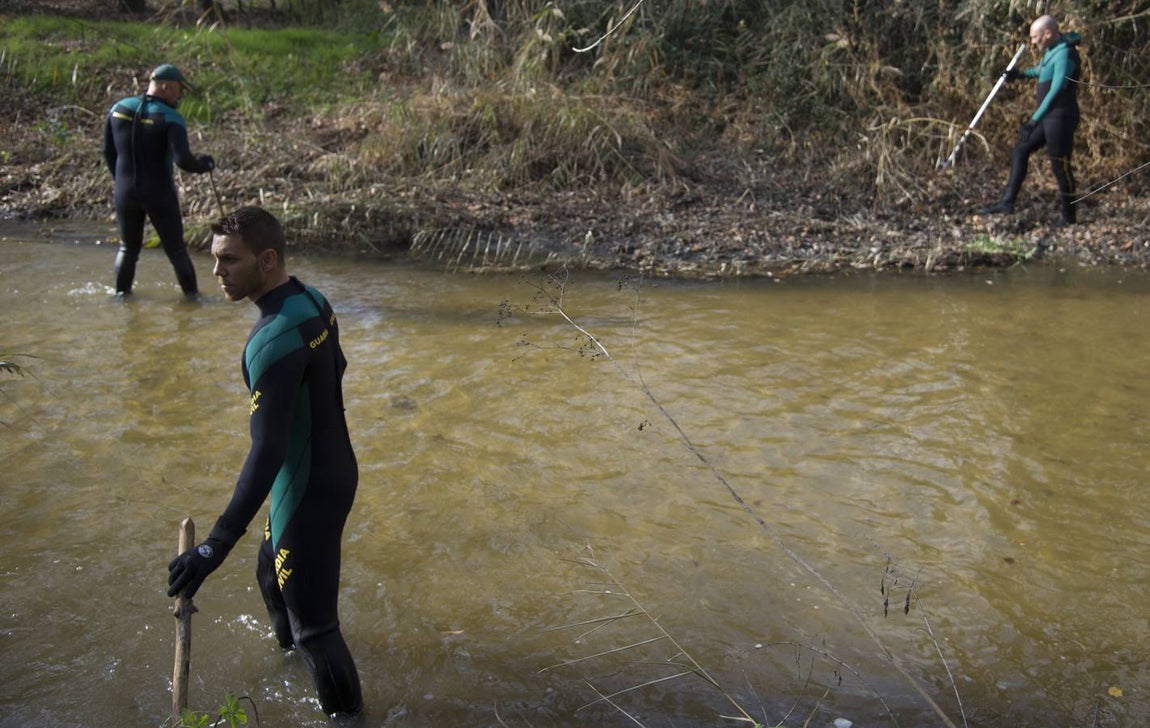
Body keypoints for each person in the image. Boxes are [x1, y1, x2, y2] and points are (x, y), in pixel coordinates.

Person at [167, 206, 364, 720]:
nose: (217, 272)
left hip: (307, 487)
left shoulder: (271, 341)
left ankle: (350, 718)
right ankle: (295, 670)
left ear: (268, 260)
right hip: (328, 468)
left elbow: (267, 450)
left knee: (317, 630)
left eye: (230, 260)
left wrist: (213, 546)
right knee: (270, 572)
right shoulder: (312, 300)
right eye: (214, 259)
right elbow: (337, 369)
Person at [103, 63, 215, 298]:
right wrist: (204, 165)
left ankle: (121, 297)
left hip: (125, 192)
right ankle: (193, 299)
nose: (180, 95)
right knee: (176, 251)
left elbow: (108, 152)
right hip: (158, 193)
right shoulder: (171, 118)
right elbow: (183, 160)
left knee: (128, 249)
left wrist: (120, 181)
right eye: (179, 89)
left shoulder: (118, 108)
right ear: (166, 87)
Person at [980, 15, 1082, 226]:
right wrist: (1020, 75)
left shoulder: (1066, 54)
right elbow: (1042, 70)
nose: (1033, 42)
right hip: (1048, 117)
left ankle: (1069, 216)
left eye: (1036, 37)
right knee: (1021, 149)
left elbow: (1056, 92)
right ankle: (1007, 203)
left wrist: (1033, 121)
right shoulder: (1052, 49)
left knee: (1060, 166)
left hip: (1061, 118)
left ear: (1048, 33)